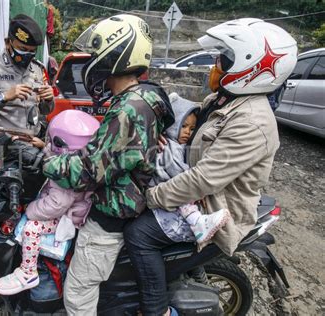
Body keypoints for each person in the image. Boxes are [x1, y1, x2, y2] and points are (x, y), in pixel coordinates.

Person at [123, 18, 297, 315]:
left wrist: (150, 197)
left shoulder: (252, 122)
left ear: (251, 68)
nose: (215, 66)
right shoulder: (222, 100)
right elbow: (192, 138)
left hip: (212, 208)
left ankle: (155, 309)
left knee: (138, 234)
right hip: (193, 193)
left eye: (224, 60)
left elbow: (204, 179)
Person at [42, 14, 175, 315]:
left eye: (95, 54)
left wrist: (46, 161)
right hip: (132, 198)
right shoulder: (144, 97)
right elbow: (111, 152)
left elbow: (89, 171)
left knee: (78, 290)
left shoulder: (127, 110)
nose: (92, 61)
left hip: (111, 215)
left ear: (115, 54)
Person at [0, 110, 99, 295]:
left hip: (67, 216)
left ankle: (28, 272)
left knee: (30, 228)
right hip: (67, 206)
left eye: (52, 140)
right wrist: (44, 147)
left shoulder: (64, 177)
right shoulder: (78, 161)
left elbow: (57, 204)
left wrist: (29, 209)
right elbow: (56, 155)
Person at [0, 14, 54, 160]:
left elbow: (45, 110)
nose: (27, 55)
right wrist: (4, 97)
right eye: (22, 49)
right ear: (8, 43)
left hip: (33, 144)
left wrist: (49, 100)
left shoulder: (37, 69)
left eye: (32, 51)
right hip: (3, 146)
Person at [150, 92, 230, 247]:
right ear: (173, 125)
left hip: (167, 188)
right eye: (183, 126)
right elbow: (178, 172)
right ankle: (198, 222)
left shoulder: (178, 145)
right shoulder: (169, 146)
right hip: (163, 186)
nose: (188, 132)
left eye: (192, 128)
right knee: (184, 200)